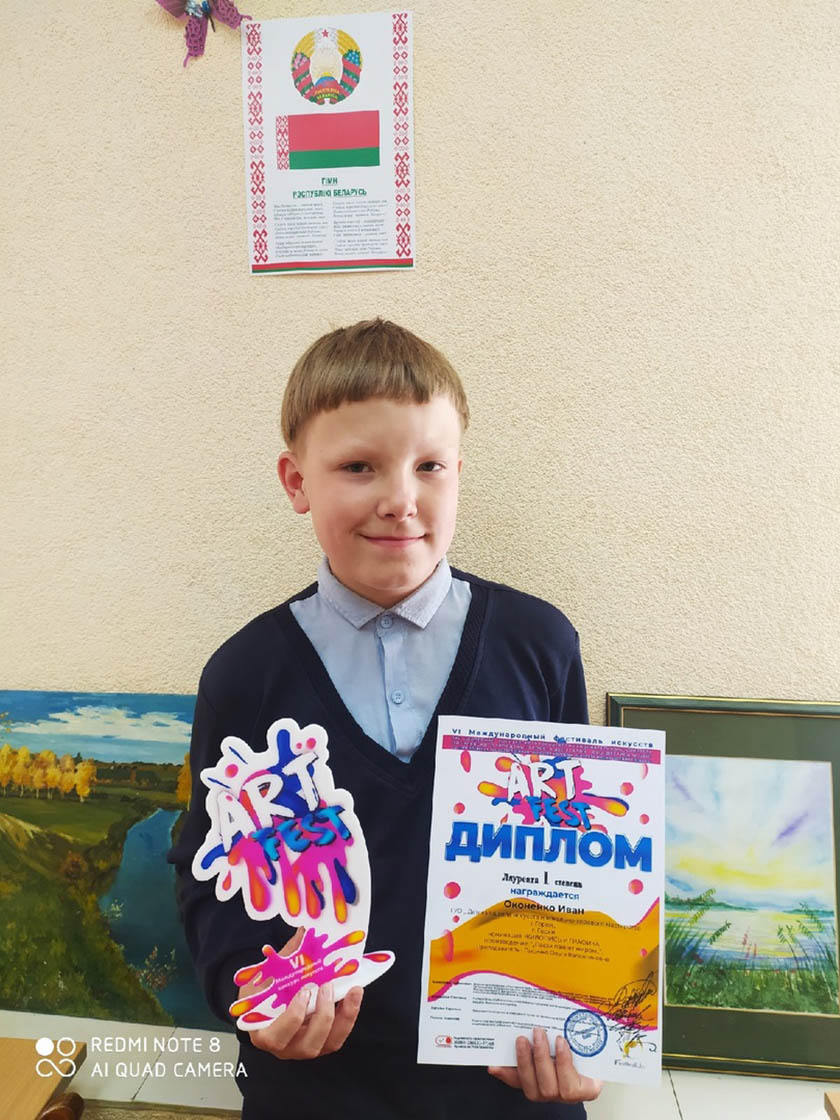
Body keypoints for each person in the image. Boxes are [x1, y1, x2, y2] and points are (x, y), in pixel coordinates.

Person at [168, 319, 602, 1119]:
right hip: (315, 1090)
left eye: (429, 466)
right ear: (296, 481)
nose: (400, 501)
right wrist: (249, 997)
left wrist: (594, 1033)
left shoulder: (540, 645)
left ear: (459, 473)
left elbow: (586, 863)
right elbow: (209, 874)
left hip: (509, 1089)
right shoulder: (244, 676)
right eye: (358, 466)